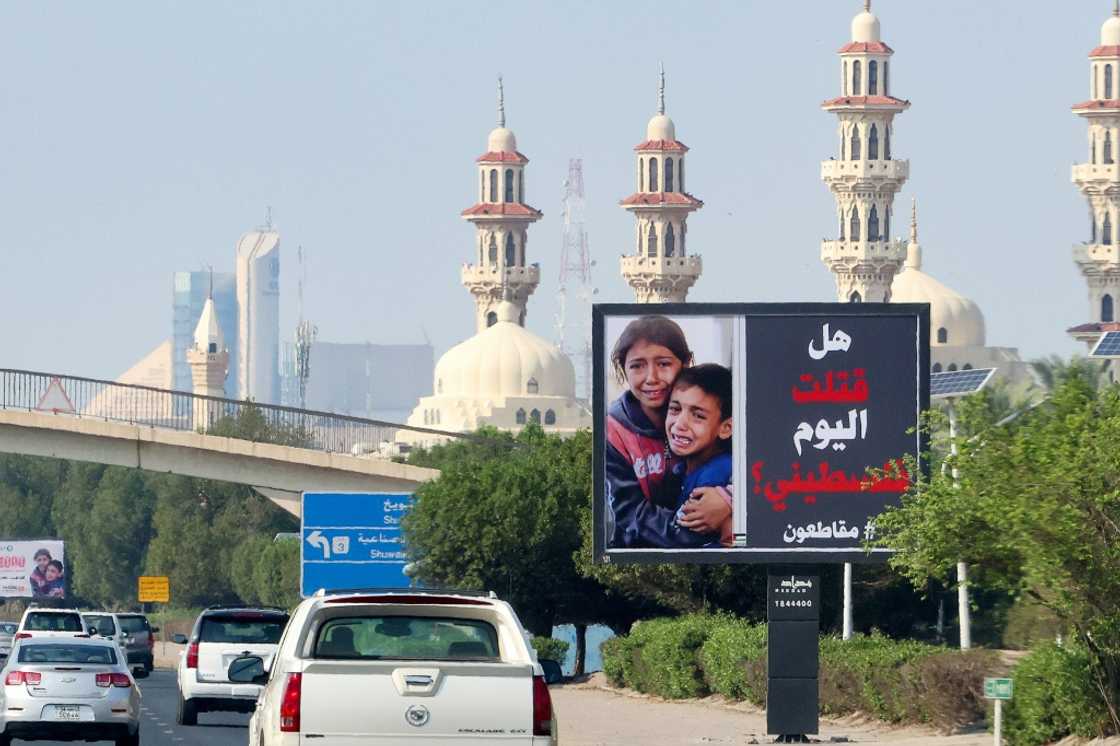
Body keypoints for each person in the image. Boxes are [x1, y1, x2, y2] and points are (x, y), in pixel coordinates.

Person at [605, 316, 731, 548]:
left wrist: (729, 500)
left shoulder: (709, 413)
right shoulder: (614, 431)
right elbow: (630, 512)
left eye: (663, 364)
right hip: (640, 560)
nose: (651, 378)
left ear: (686, 363)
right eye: (637, 366)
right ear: (623, 368)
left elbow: (758, 471)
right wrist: (691, 531)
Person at [665, 364, 734, 548]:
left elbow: (684, 539)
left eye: (698, 416)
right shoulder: (682, 467)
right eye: (675, 409)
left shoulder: (716, 473)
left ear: (726, 428)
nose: (680, 424)